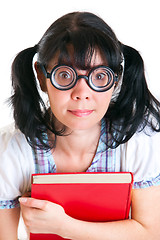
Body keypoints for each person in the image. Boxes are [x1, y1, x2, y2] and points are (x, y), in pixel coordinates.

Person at [0, 11, 160, 240]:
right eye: (65, 76)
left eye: (99, 76)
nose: (82, 94)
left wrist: (65, 226)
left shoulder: (138, 139)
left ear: (115, 79)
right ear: (42, 77)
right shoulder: (11, 152)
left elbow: (151, 233)